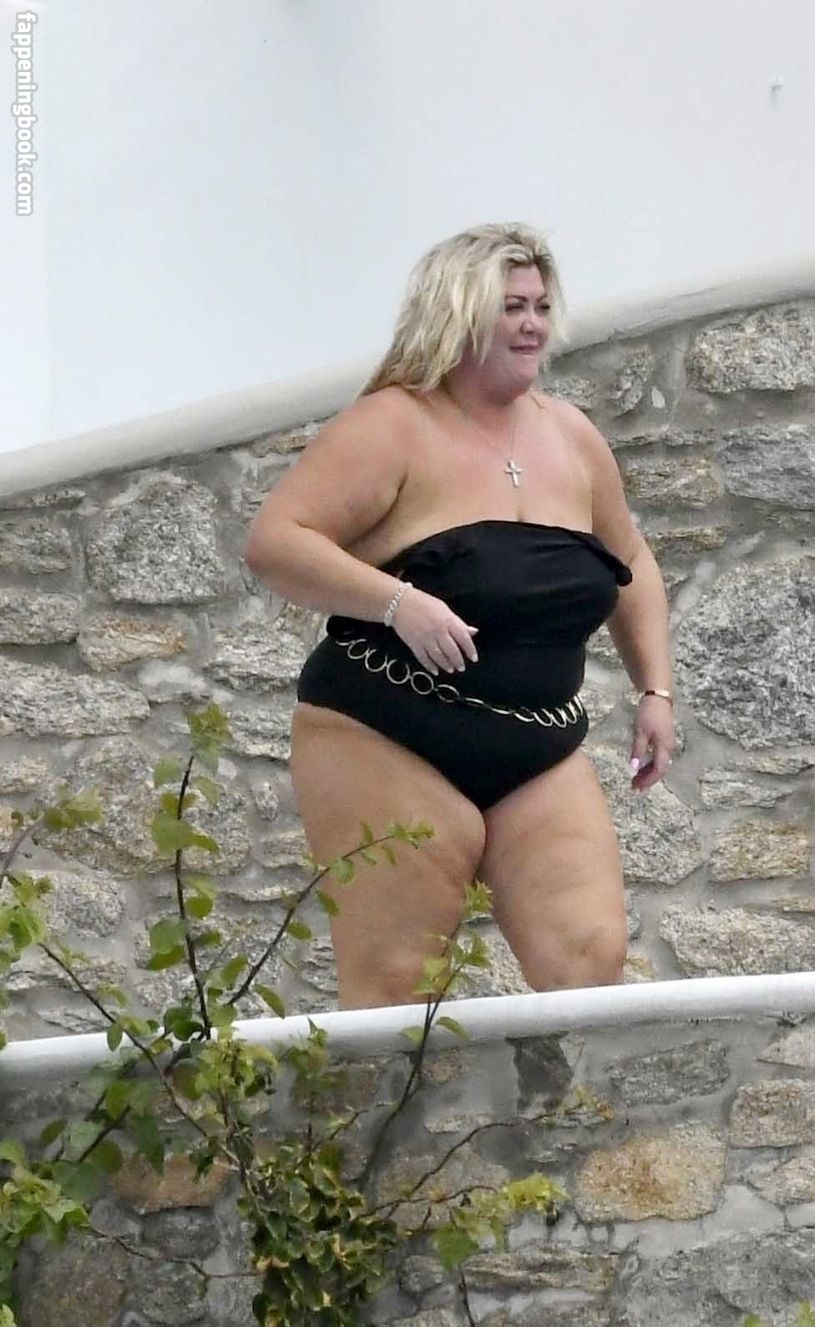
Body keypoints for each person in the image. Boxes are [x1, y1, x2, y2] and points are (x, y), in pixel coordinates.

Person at [245, 223, 675, 1008]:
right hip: (385, 732)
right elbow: (276, 541)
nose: (533, 324)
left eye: (541, 306)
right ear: (458, 313)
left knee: (589, 959)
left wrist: (655, 690)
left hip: (536, 742)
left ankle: (554, 1094)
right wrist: (396, 602)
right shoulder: (392, 425)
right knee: (396, 982)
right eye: (512, 306)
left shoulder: (572, 436)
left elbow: (632, 562)